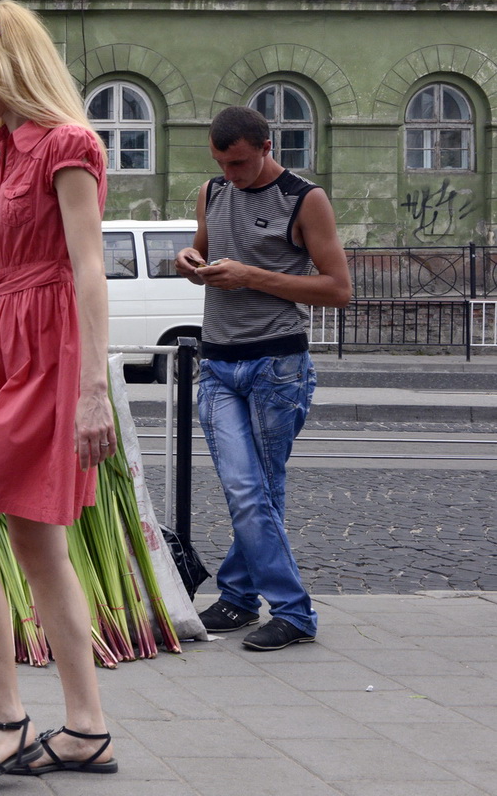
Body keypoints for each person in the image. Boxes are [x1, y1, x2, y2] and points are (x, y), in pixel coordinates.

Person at [0, 1, 117, 792]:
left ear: (7, 67)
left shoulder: (67, 143)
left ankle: (6, 721)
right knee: (41, 551)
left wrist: (95, 389)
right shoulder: (1, 151)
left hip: (47, 357)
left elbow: (89, 266)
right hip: (8, 346)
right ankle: (87, 729)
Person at [174, 105, 350, 652]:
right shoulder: (212, 191)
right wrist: (189, 259)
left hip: (278, 365)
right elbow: (203, 248)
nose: (232, 173)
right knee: (246, 489)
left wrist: (250, 275)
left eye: (242, 163)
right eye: (223, 163)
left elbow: (339, 289)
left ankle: (286, 610)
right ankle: (243, 596)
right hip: (219, 363)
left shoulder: (305, 198)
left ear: (267, 148)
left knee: (257, 492)